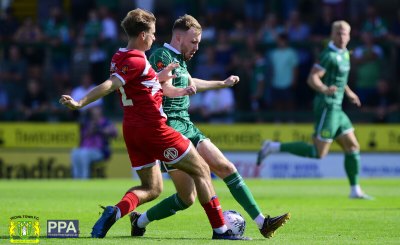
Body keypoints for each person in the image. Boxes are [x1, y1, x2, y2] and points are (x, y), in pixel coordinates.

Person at [59, 8, 246, 240]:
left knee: (153, 188)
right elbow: (111, 84)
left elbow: (142, 82)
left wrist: (164, 75)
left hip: (132, 130)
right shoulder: (136, 59)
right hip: (154, 128)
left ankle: (115, 212)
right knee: (202, 169)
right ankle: (221, 230)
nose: (155, 37)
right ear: (142, 36)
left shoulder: (120, 56)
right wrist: (81, 102)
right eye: (153, 33)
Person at [129, 14, 290, 239]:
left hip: (186, 124)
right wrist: (184, 90)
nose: (196, 47)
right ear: (178, 37)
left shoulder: (180, 60)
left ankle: (262, 222)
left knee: (226, 168)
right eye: (193, 41)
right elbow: (162, 86)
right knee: (187, 198)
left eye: (199, 43)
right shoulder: (161, 55)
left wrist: (221, 84)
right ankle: (141, 219)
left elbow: (190, 81)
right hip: (169, 128)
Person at [257, 20, 373, 200]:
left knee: (352, 146)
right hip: (327, 107)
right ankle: (272, 147)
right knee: (318, 153)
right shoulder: (328, 55)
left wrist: (349, 93)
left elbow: (339, 80)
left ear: (349, 36)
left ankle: (355, 190)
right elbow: (312, 79)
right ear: (332, 35)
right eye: (338, 33)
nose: (342, 36)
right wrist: (324, 89)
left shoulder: (345, 54)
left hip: (338, 109)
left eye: (345, 33)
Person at [71, 106, 117, 179]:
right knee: (75, 152)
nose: (95, 111)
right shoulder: (86, 122)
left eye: (97, 109)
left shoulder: (105, 121)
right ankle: (76, 177)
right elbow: (83, 136)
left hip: (100, 151)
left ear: (100, 110)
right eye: (93, 109)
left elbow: (114, 133)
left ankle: (84, 178)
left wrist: (100, 129)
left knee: (84, 154)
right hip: (86, 148)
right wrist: (90, 129)